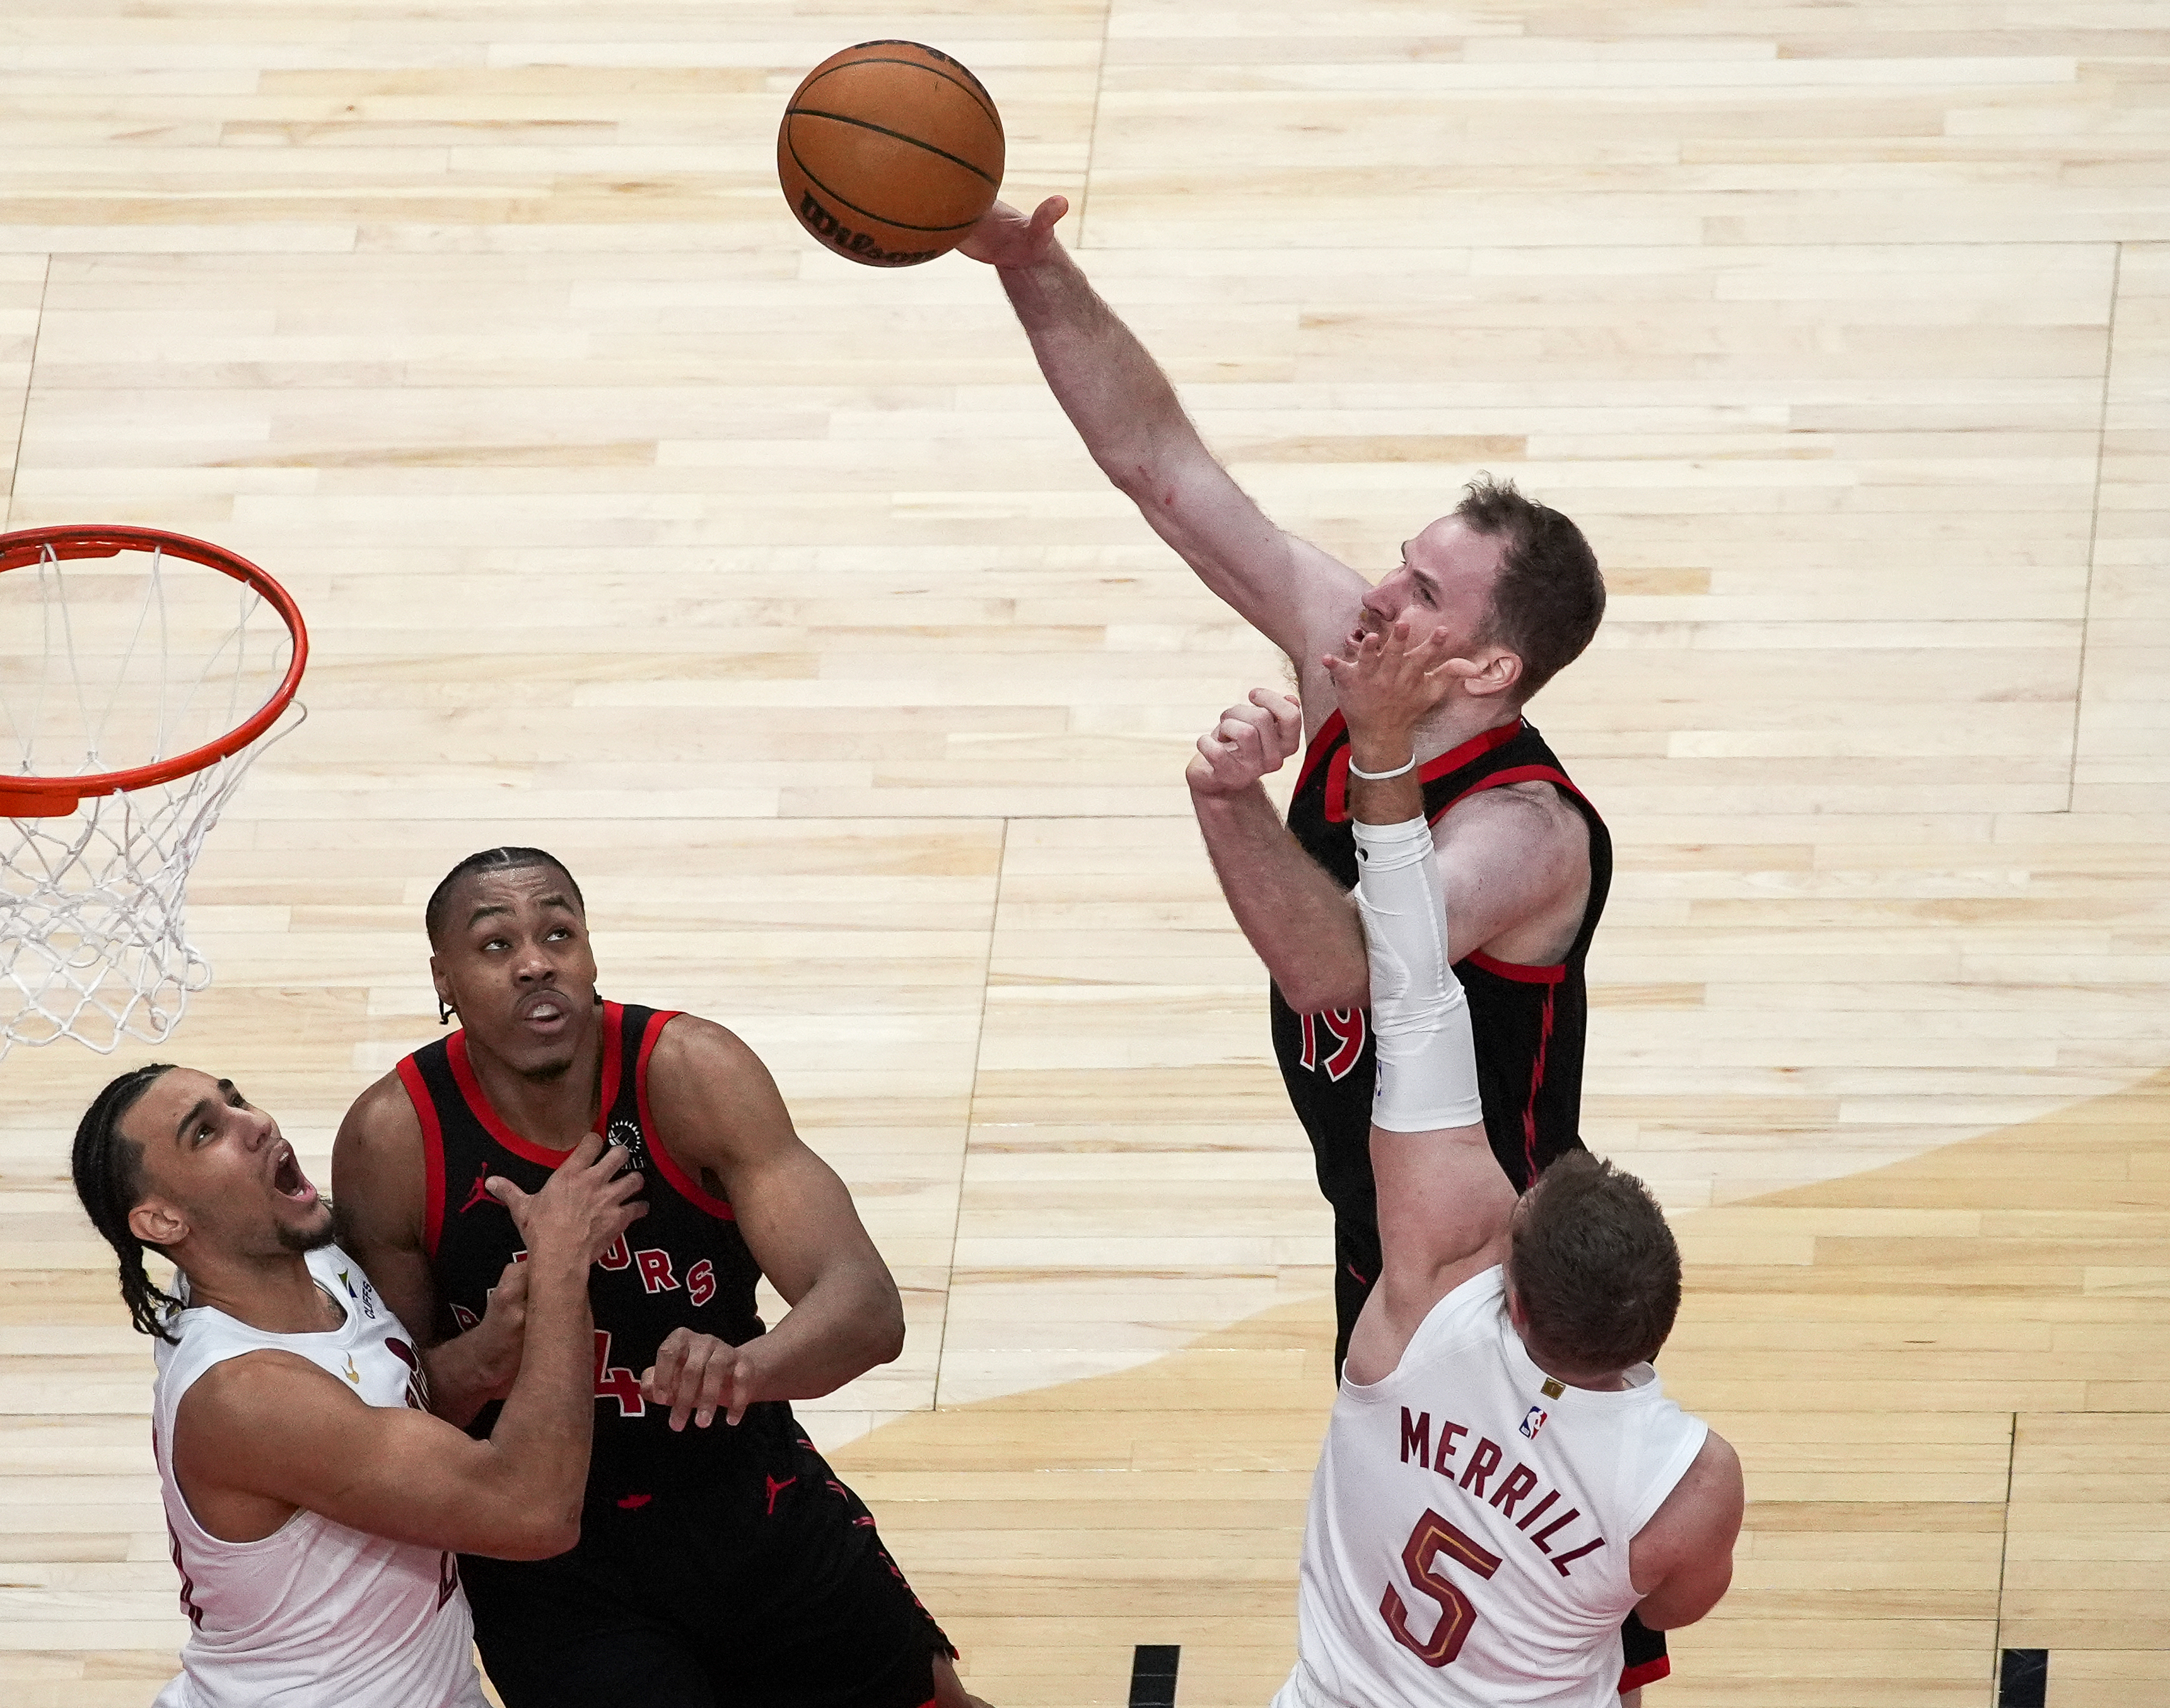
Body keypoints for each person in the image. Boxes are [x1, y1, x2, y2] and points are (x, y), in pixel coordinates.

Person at [967, 197, 1662, 1697]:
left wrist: (1228, 804)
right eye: (1398, 561)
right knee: (1404, 1632)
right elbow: (1161, 472)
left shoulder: (1524, 837)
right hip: (1385, 1229)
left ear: (1483, 664)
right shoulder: (1353, 661)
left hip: (1501, 1285)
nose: (1373, 593)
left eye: (1419, 591)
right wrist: (1025, 261)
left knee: (1518, 1641)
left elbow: (1344, 967)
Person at [330, 845, 984, 1708]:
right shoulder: (394, 1139)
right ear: (442, 977)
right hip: (549, 1550)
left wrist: (750, 1368)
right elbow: (391, 1430)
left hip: (740, 1489)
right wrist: (486, 1354)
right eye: (495, 945)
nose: (536, 962)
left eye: (559, 932)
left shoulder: (691, 1072)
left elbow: (866, 1305)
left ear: (590, 952)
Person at [1264, 620, 1741, 1707]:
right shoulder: (1689, 1480)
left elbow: (1412, 981)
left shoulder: (1424, 1295)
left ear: (1511, 1298)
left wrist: (1377, 746)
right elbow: (1671, 1604)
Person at [70, 1061, 645, 1708]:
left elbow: (377, 1416)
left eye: (237, 1102)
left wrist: (484, 1357)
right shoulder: (247, 1396)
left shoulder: (305, 1258)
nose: (255, 1125)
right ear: (164, 1223)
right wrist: (563, 1262)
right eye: (205, 1134)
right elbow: (534, 1512)